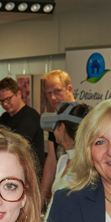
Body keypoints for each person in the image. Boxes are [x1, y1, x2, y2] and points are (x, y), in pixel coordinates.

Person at [0, 77, 45, 183]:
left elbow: (19, 146)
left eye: (8, 99)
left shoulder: (30, 116)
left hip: (30, 175)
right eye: (1, 101)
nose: (4, 104)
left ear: (18, 94)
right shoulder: (4, 117)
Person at [39, 101, 89, 201]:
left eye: (55, 126)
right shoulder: (63, 160)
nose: (53, 131)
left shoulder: (84, 165)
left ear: (61, 127)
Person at [42, 70, 75, 198]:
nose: (53, 97)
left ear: (69, 89)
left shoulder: (83, 115)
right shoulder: (55, 120)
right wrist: (40, 201)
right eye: (49, 93)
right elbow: (51, 161)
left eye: (57, 91)